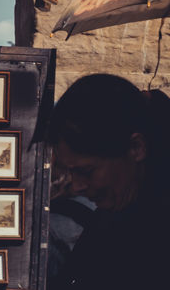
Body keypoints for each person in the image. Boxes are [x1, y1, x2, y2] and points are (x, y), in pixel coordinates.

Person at [48, 73, 170, 289]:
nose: (76, 186)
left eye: (87, 171)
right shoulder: (108, 217)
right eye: (70, 171)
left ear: (136, 148)